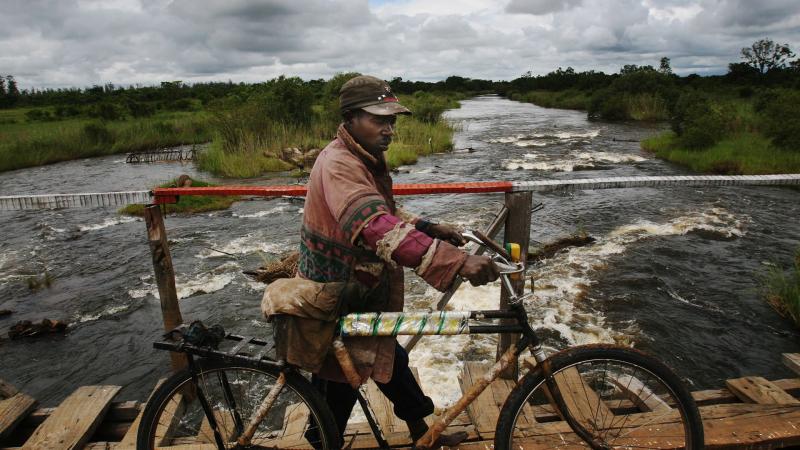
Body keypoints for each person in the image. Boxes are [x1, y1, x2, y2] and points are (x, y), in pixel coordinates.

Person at [278, 75, 499, 448]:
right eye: (379, 120)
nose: (389, 129)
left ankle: (424, 434)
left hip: (355, 291)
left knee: (388, 357)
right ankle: (322, 441)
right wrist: (456, 262)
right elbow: (375, 226)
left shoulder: (361, 157)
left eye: (392, 121)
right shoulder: (339, 164)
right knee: (340, 382)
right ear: (350, 119)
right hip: (335, 295)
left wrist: (431, 227)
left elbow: (384, 210)